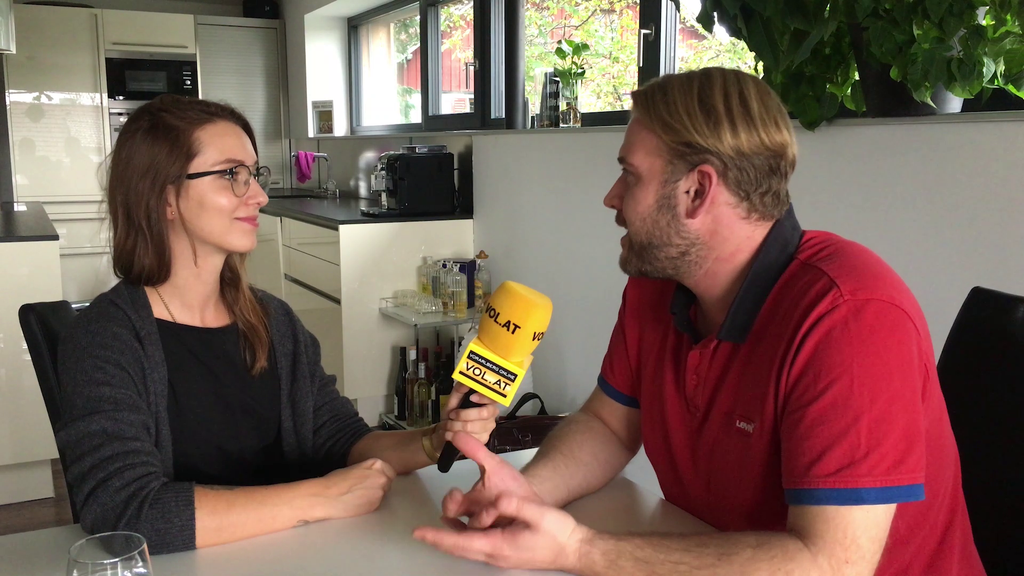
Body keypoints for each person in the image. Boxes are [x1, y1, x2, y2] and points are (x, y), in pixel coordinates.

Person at [413, 68, 984, 575]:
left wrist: (581, 550)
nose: (611, 197)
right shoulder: (656, 285)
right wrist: (527, 494)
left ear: (697, 191)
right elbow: (610, 425)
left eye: (629, 175)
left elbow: (827, 564)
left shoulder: (851, 318)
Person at [55, 95, 499, 555]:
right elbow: (126, 510)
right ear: (165, 196)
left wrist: (434, 441)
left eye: (253, 173)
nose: (259, 196)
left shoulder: (273, 322)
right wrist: (319, 497)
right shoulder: (105, 339)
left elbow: (341, 439)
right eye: (232, 175)